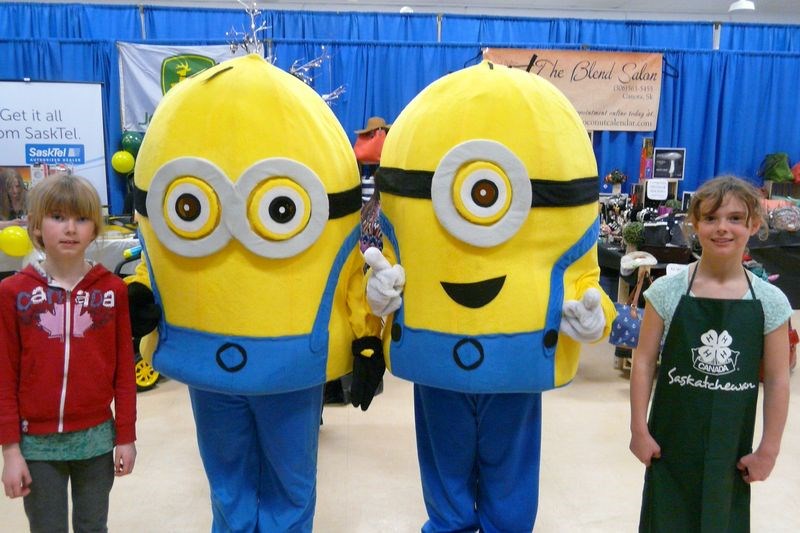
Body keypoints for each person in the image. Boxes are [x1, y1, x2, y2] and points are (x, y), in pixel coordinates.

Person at [629, 175, 791, 531]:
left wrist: (769, 449)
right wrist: (638, 428)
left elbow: (779, 380)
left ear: (754, 224)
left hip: (731, 451)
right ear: (694, 224)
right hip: (669, 446)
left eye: (735, 218)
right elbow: (642, 361)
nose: (722, 228)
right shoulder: (668, 291)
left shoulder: (770, 302)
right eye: (711, 218)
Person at [0, 174, 137, 532]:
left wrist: (126, 436)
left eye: (81, 218)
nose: (70, 228)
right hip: (37, 446)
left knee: (93, 527)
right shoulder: (13, 293)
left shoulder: (112, 291)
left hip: (95, 441)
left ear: (94, 228)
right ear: (36, 226)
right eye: (58, 217)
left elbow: (124, 370)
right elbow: (5, 374)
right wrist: (10, 451)